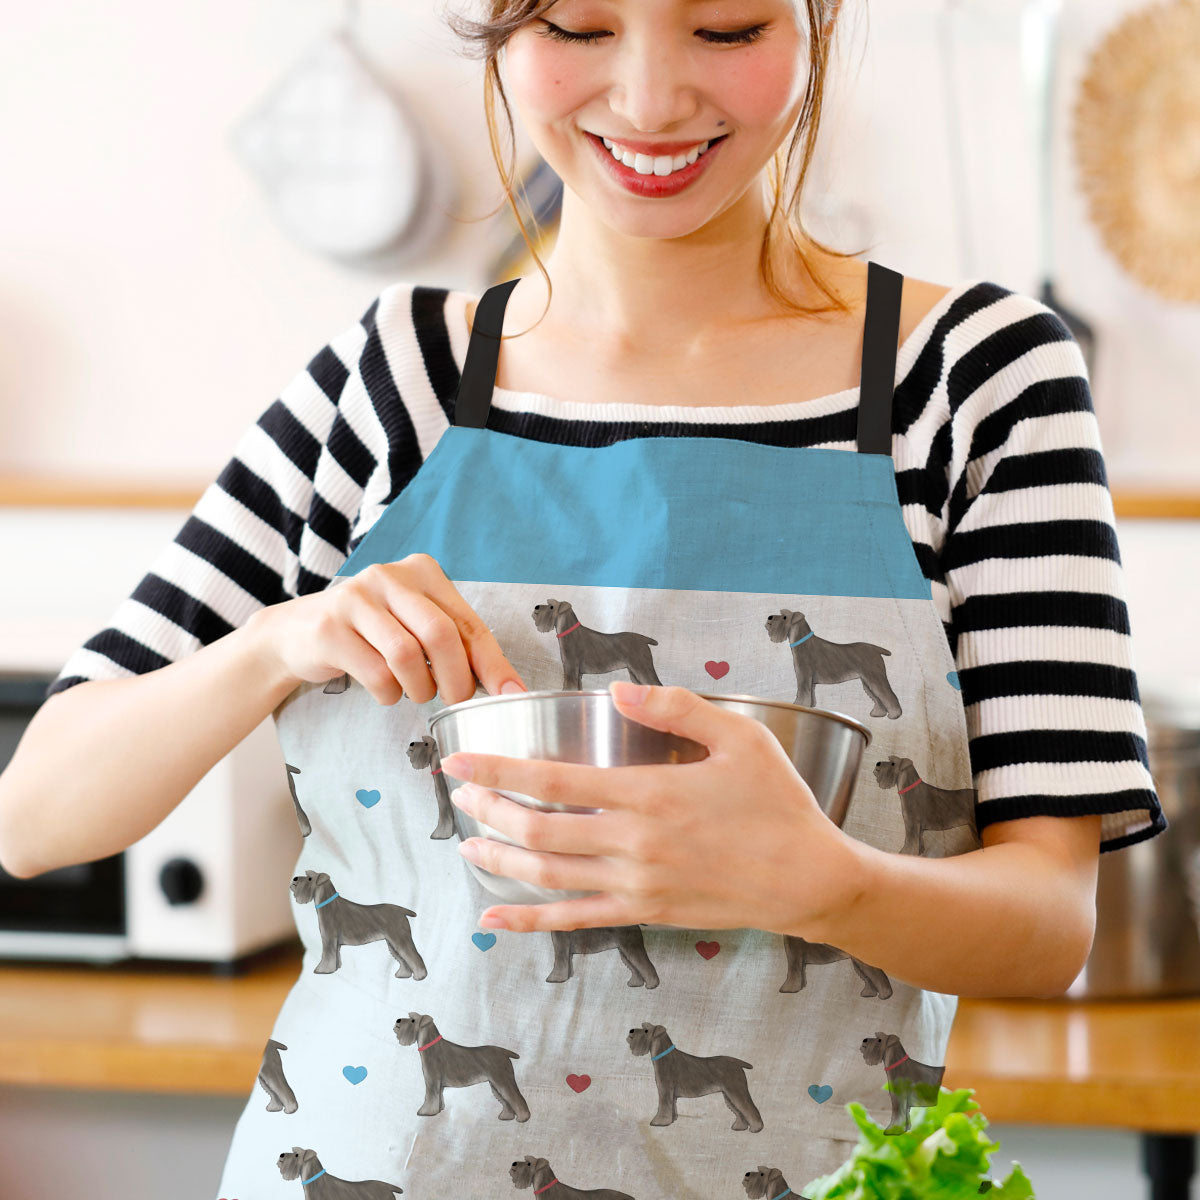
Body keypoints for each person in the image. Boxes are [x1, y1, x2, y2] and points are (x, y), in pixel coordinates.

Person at [0, 1, 1166, 1196]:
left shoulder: (976, 381)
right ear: (499, 32)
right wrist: (274, 642)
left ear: (816, 22)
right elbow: (35, 816)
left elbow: (1047, 924)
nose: (653, 100)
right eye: (578, 24)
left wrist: (825, 883)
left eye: (727, 28)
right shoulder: (392, 381)